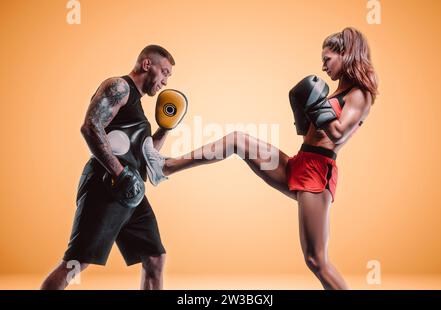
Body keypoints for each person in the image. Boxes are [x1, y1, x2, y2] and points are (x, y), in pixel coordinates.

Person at [145, 27, 378, 290]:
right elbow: (306, 132)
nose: (323, 66)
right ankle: (163, 167)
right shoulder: (336, 92)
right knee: (237, 139)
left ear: (345, 54)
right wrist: (305, 108)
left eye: (327, 59)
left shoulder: (359, 94)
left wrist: (314, 103)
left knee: (316, 260)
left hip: (317, 173)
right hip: (300, 161)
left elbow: (336, 134)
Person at [41, 45, 186, 290]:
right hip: (106, 185)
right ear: (147, 65)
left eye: (169, 76)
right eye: (165, 72)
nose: (165, 81)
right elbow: (90, 126)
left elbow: (147, 156)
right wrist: (120, 174)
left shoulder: (139, 109)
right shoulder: (118, 87)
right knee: (75, 263)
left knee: (154, 258)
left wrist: (165, 128)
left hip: (132, 192)